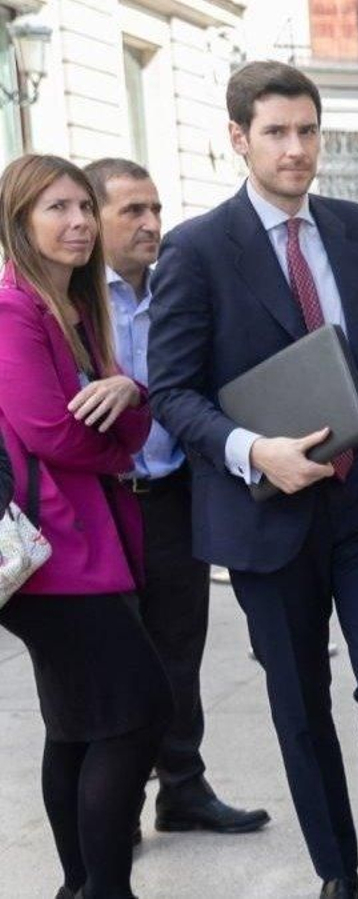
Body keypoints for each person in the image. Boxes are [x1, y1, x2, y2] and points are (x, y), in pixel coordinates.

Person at [146, 61, 358, 899]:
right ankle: (338, 870)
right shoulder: (198, 250)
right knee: (300, 701)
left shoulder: (357, 228)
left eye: (308, 130)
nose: (297, 149)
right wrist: (252, 450)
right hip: (264, 511)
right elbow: (171, 390)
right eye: (277, 132)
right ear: (238, 138)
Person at [0, 153, 173, 899]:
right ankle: (104, 888)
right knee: (137, 714)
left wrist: (128, 394)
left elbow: (120, 410)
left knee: (78, 721)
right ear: (20, 222)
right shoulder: (15, 309)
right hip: (50, 551)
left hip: (78, 541)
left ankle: (80, 886)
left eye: (81, 207)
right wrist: (128, 422)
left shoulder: (72, 307)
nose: (76, 223)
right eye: (55, 209)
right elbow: (54, 431)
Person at [84, 157, 272, 840]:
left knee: (178, 650)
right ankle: (117, 808)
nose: (151, 223)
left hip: (173, 494)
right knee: (115, 659)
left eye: (155, 208)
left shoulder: (177, 287)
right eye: (132, 211)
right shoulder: (69, 304)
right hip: (101, 502)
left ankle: (184, 789)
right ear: (91, 217)